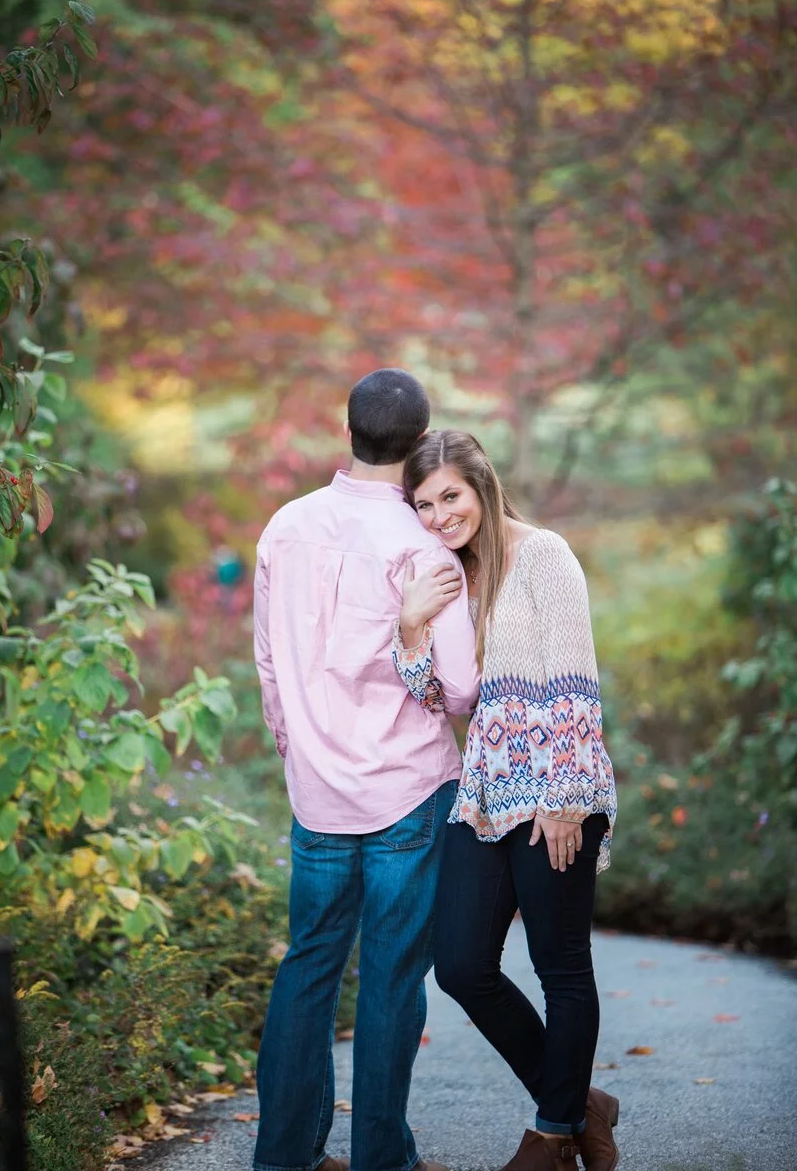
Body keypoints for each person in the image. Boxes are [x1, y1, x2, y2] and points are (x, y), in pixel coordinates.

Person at [252, 372, 479, 1171]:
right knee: (389, 979)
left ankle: (282, 1156)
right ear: (420, 444)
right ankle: (384, 1158)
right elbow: (460, 690)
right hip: (407, 789)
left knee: (308, 966)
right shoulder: (424, 547)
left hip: (316, 792)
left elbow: (269, 661)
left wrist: (297, 743)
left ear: (348, 431)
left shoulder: (285, 525)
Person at [392, 430, 619, 1171]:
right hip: (486, 791)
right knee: (459, 963)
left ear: (482, 482)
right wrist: (411, 624)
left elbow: (575, 680)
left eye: (449, 496)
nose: (437, 515)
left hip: (557, 788)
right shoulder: (456, 574)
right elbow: (441, 699)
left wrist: (565, 800)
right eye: (423, 504)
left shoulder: (545, 555)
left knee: (561, 966)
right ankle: (581, 1102)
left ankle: (553, 1133)